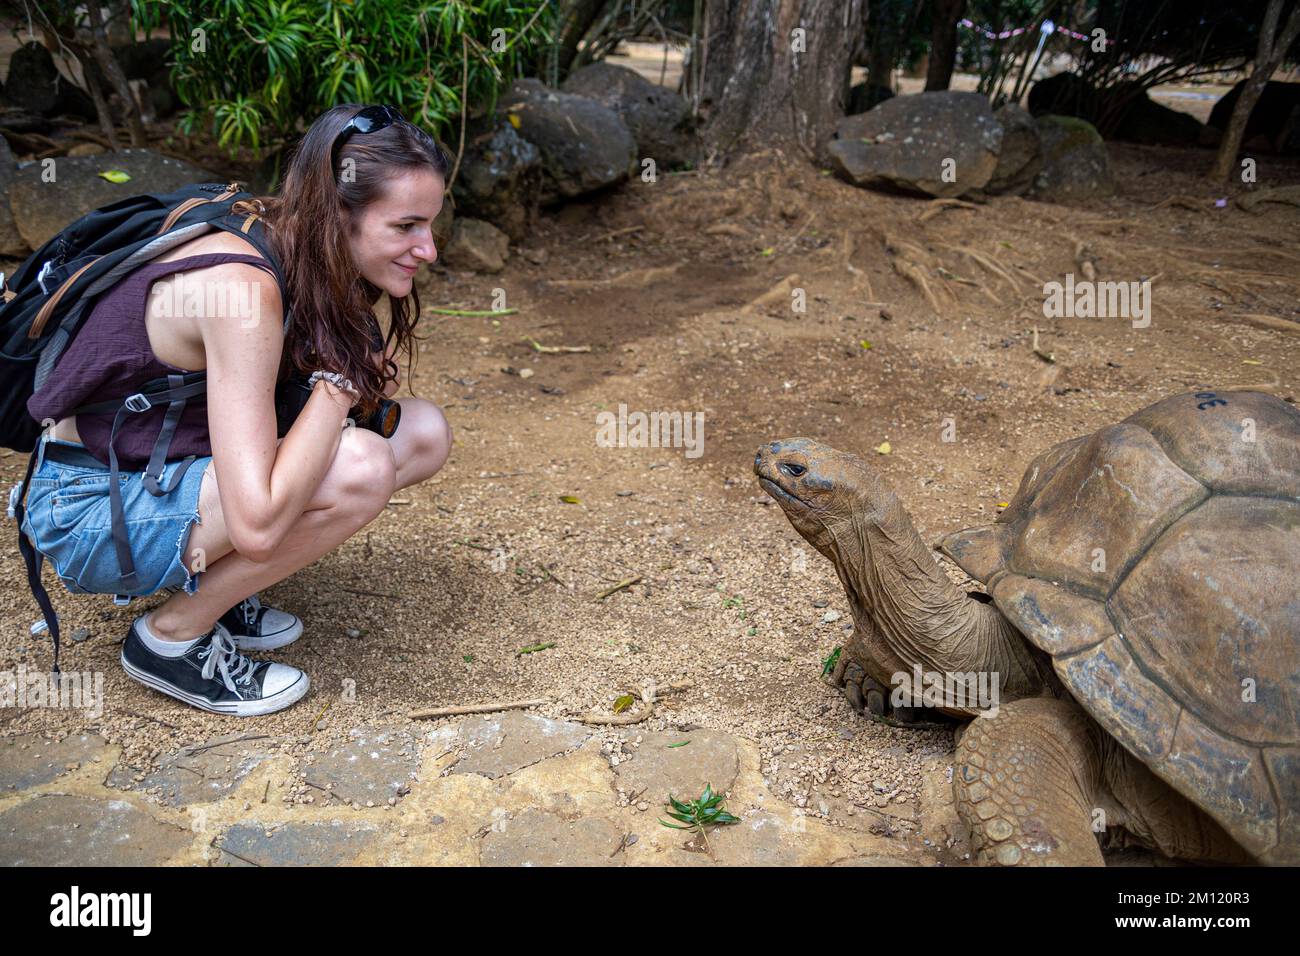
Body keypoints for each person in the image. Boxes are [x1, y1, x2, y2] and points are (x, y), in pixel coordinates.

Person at [19, 104, 452, 715]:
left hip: (169, 468)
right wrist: (340, 387)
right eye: (407, 226)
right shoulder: (243, 289)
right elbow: (255, 523)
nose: (427, 249)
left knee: (424, 432)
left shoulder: (295, 238)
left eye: (429, 226)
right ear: (338, 215)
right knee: (360, 465)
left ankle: (219, 588)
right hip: (86, 507)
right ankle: (169, 639)